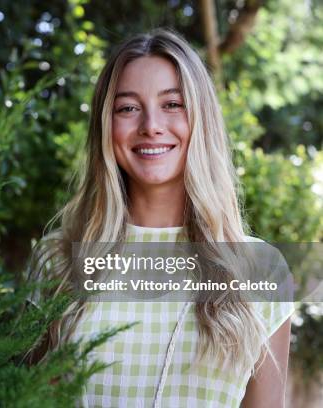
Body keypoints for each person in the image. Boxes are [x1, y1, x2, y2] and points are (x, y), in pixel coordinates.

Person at [24, 28, 294, 407]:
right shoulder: (56, 260)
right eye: (128, 108)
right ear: (107, 125)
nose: (150, 125)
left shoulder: (262, 269)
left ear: (201, 119)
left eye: (172, 104)